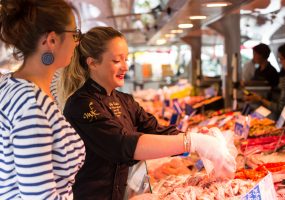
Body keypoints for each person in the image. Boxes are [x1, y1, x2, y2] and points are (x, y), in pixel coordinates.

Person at [57, 26, 236, 200]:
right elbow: (122, 144)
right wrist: (192, 142)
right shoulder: (80, 104)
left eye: (126, 59)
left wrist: (196, 137)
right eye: (117, 60)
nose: (125, 67)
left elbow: (155, 130)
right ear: (92, 63)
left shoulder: (124, 100)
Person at [0, 0, 85, 199]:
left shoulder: (11, 87)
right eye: (74, 34)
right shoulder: (31, 104)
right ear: (52, 40)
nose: (77, 42)